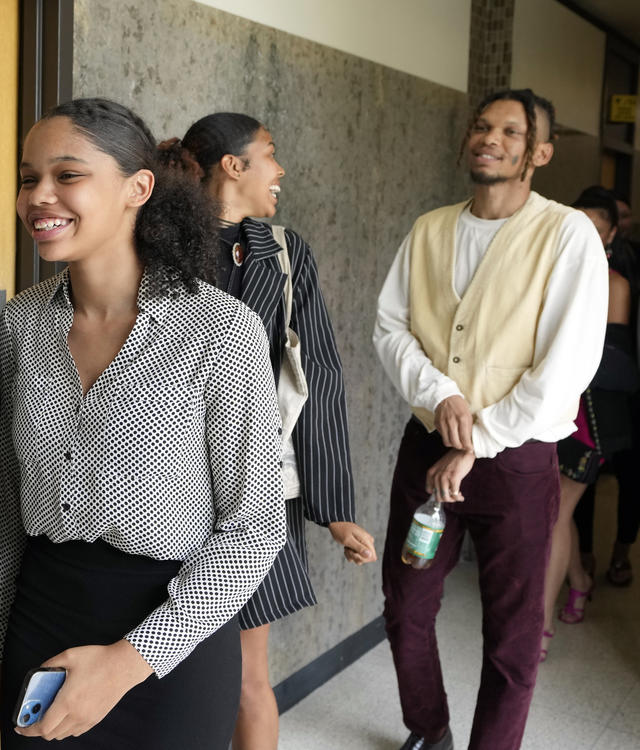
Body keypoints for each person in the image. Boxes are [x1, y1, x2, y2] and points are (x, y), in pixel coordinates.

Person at [0, 98, 285, 749]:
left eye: (67, 175)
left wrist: (126, 663)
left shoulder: (221, 332)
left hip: (172, 641)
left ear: (138, 187)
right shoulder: (22, 324)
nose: (39, 196)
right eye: (29, 178)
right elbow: (10, 503)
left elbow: (255, 529)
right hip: (42, 621)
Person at [373, 89, 608, 750]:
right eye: (482, 126)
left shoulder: (567, 235)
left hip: (517, 462)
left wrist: (478, 438)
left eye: (511, 130)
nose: (490, 138)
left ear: (539, 152)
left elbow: (568, 362)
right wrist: (440, 393)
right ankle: (429, 729)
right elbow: (391, 328)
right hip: (427, 455)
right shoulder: (430, 229)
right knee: (406, 609)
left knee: (512, 633)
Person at [159, 113, 376, 750]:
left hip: (254, 488)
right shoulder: (154, 237)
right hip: (159, 486)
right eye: (270, 155)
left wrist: (333, 509)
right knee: (159, 668)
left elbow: (319, 374)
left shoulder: (281, 253)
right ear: (233, 165)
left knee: (249, 677)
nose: (279, 171)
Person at [541, 189, 634, 658]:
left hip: (589, 415)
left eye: (597, 230)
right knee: (559, 508)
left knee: (556, 510)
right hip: (552, 407)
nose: (585, 237)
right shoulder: (555, 272)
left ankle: (538, 627)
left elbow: (607, 363)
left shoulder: (615, 284)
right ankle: (578, 580)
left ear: (612, 235)